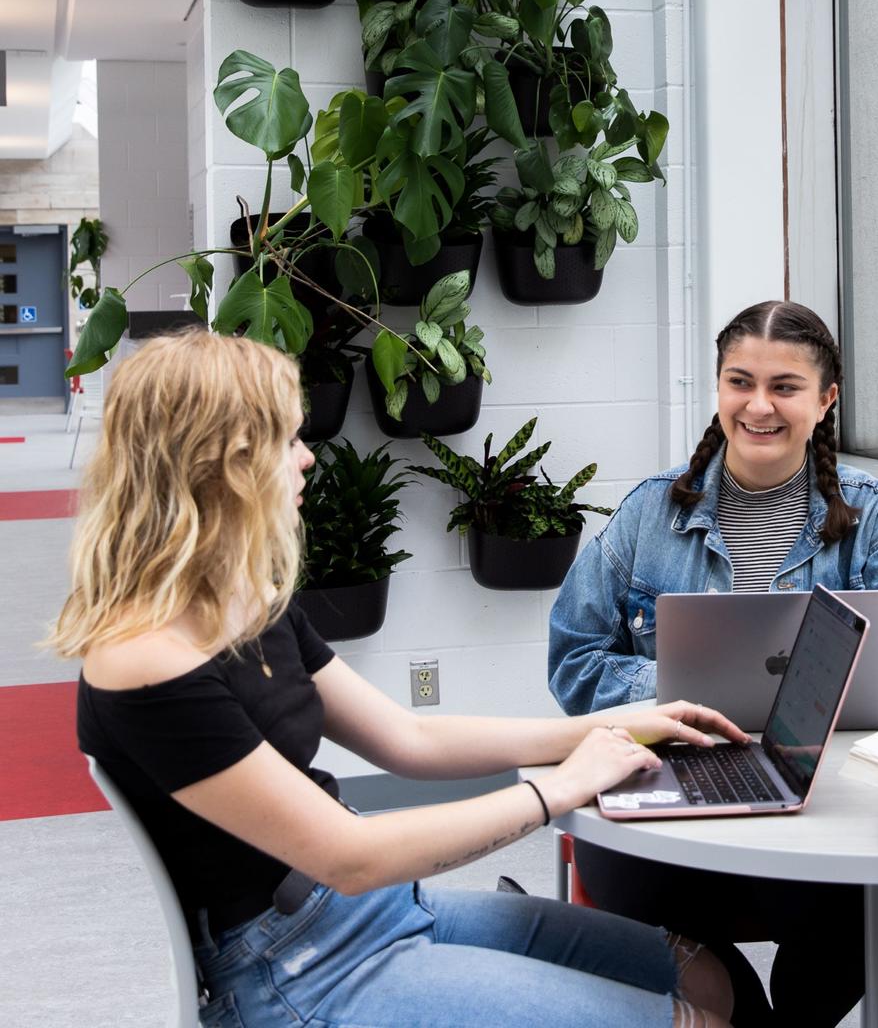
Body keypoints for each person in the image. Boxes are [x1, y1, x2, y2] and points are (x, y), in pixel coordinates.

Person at [49, 330, 747, 1028]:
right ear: (223, 463)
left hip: (371, 912)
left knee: (704, 977)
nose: (306, 458)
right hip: (298, 971)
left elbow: (410, 738)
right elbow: (347, 856)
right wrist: (556, 788)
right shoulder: (144, 658)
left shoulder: (241, 600)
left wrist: (607, 726)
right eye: (286, 441)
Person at [547, 299, 878, 1025]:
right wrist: (678, 700)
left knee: (860, 908)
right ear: (719, 390)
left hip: (814, 812)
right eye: (740, 382)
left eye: (785, 387)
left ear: (826, 401)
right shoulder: (648, 512)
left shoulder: (874, 517)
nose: (759, 405)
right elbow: (574, 661)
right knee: (625, 886)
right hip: (666, 813)